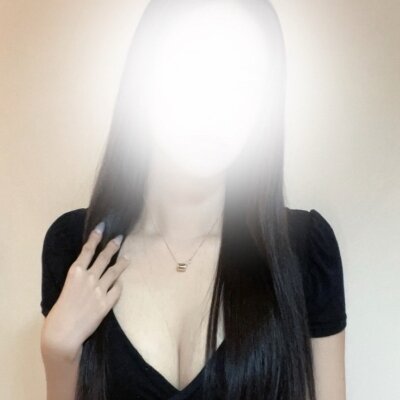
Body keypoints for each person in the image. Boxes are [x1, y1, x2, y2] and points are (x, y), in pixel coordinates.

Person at [39, 1, 347, 399]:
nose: (215, 106)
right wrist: (58, 355)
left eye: (244, 82)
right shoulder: (75, 248)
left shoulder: (305, 249)